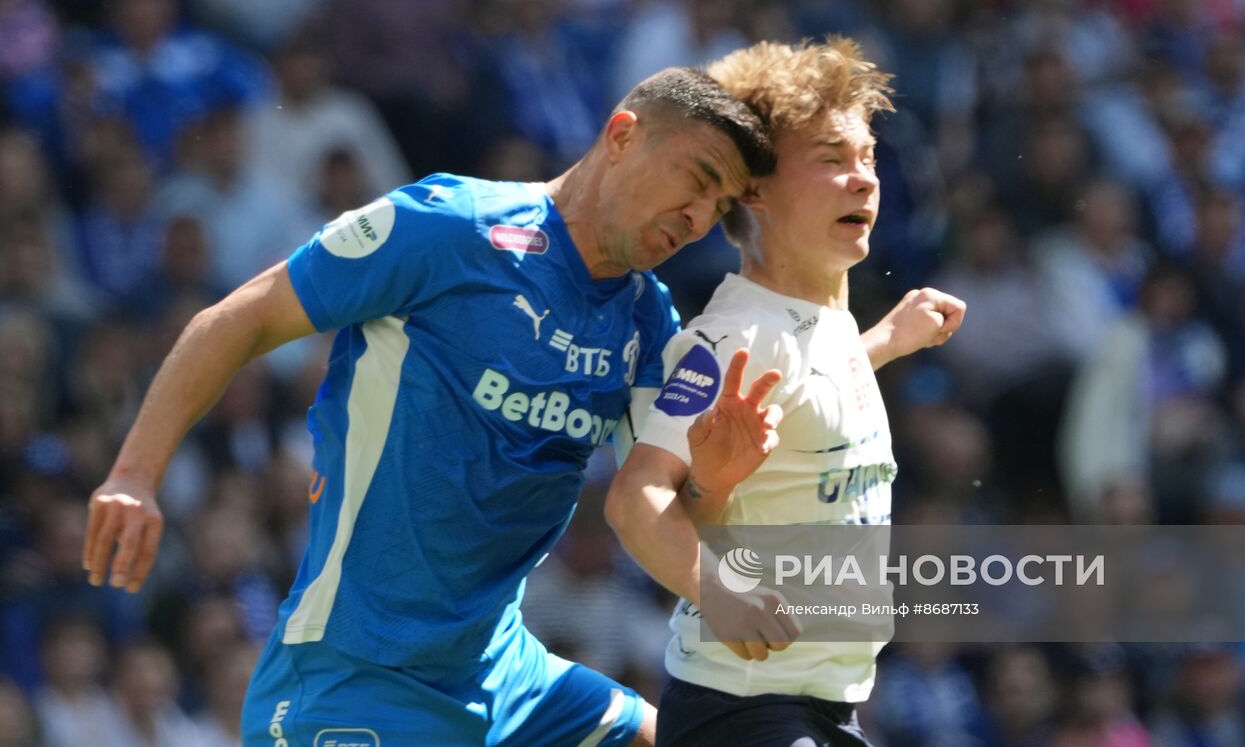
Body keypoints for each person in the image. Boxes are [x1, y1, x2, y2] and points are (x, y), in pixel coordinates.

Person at [82, 65, 776, 746]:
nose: (699, 219)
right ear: (623, 135)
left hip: (506, 679)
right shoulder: (453, 227)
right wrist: (135, 473)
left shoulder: (648, 323)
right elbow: (241, 318)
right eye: (698, 180)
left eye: (720, 209)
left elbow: (649, 504)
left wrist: (713, 480)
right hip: (352, 677)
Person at [606, 37, 967, 747]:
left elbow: (804, 400)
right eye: (832, 160)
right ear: (756, 191)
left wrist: (886, 341)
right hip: (742, 705)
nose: (863, 178)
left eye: (866, 158)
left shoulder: (822, 325)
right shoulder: (734, 336)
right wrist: (719, 594)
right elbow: (634, 497)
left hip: (825, 705)